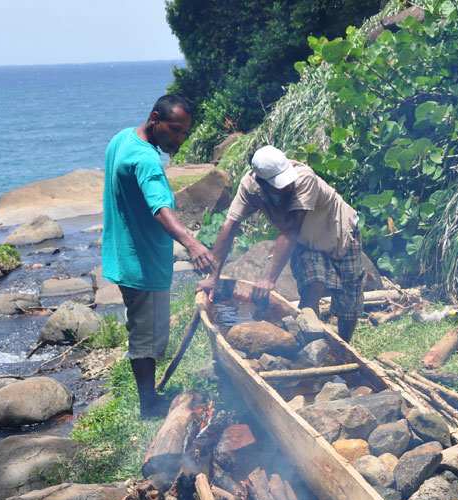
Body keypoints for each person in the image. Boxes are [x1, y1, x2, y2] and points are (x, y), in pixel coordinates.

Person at [102, 94, 217, 418]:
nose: (179, 138)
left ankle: (149, 397)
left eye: (184, 132)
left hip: (123, 254)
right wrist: (192, 244)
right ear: (155, 118)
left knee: (145, 330)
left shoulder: (122, 139)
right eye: (175, 130)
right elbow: (159, 208)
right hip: (142, 264)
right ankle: (149, 406)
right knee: (147, 336)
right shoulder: (148, 162)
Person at [197, 145, 364, 341]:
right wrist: (213, 275)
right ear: (261, 182)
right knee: (312, 287)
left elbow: (291, 228)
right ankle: (309, 345)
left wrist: (268, 278)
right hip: (307, 242)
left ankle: (343, 346)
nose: (287, 186)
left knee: (349, 307)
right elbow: (230, 226)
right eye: (279, 184)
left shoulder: (304, 179)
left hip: (341, 235)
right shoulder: (250, 187)